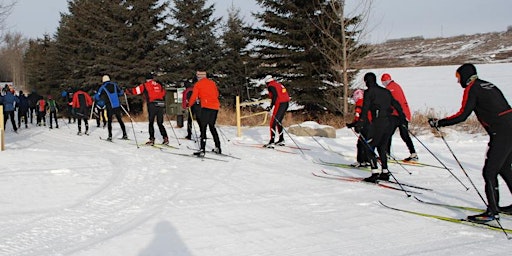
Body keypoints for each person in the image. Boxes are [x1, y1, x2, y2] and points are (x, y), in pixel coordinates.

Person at [428, 63, 512, 223]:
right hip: (509, 129)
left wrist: (440, 123)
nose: (458, 81)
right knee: (504, 168)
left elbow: (462, 115)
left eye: (458, 77)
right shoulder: (488, 85)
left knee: (489, 172)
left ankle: (492, 212)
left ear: (465, 76)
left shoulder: (472, 89)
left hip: (501, 132)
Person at [359, 72, 406, 183]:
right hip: (388, 122)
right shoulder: (386, 91)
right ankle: (385, 172)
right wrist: (402, 118)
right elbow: (396, 104)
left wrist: (360, 123)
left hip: (377, 122)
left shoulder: (369, 92)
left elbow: (365, 108)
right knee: (382, 147)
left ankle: (374, 173)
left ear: (367, 81)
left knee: (368, 146)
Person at [381, 73, 418, 161]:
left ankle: (386, 154)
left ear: (384, 81)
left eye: (383, 82)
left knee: (388, 133)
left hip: (397, 115)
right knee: (404, 135)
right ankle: (413, 154)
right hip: (404, 114)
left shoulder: (390, 88)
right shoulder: (396, 85)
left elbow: (392, 102)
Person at [126, 74, 168, 145]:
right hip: (161, 104)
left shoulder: (145, 85)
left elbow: (136, 91)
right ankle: (165, 138)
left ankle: (152, 139)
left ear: (146, 79)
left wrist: (127, 91)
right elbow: (164, 92)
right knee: (160, 123)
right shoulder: (158, 84)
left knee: (151, 122)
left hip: (152, 104)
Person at [188, 70, 221, 157]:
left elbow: (194, 97)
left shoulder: (198, 84)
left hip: (206, 107)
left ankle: (202, 149)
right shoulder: (212, 83)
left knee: (203, 127)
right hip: (215, 106)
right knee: (212, 126)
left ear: (198, 77)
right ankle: (218, 147)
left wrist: (189, 105)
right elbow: (217, 94)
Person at [94, 75, 128, 141]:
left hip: (109, 106)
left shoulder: (102, 87)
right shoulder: (114, 85)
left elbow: (97, 97)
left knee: (109, 121)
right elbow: (120, 93)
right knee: (120, 120)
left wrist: (96, 95)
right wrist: (123, 90)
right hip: (117, 105)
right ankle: (125, 134)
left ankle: (110, 136)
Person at [262, 75, 290, 148]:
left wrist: (271, 106)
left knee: (273, 122)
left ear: (266, 82)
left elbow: (275, 96)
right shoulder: (278, 84)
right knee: (278, 121)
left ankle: (272, 141)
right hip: (286, 103)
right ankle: (281, 140)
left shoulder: (271, 86)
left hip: (280, 103)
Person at [346, 89, 371, 168]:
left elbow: (358, 116)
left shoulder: (359, 103)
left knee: (360, 144)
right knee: (366, 143)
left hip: (365, 126)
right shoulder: (366, 102)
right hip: (370, 125)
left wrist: (355, 124)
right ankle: (367, 160)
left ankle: (361, 161)